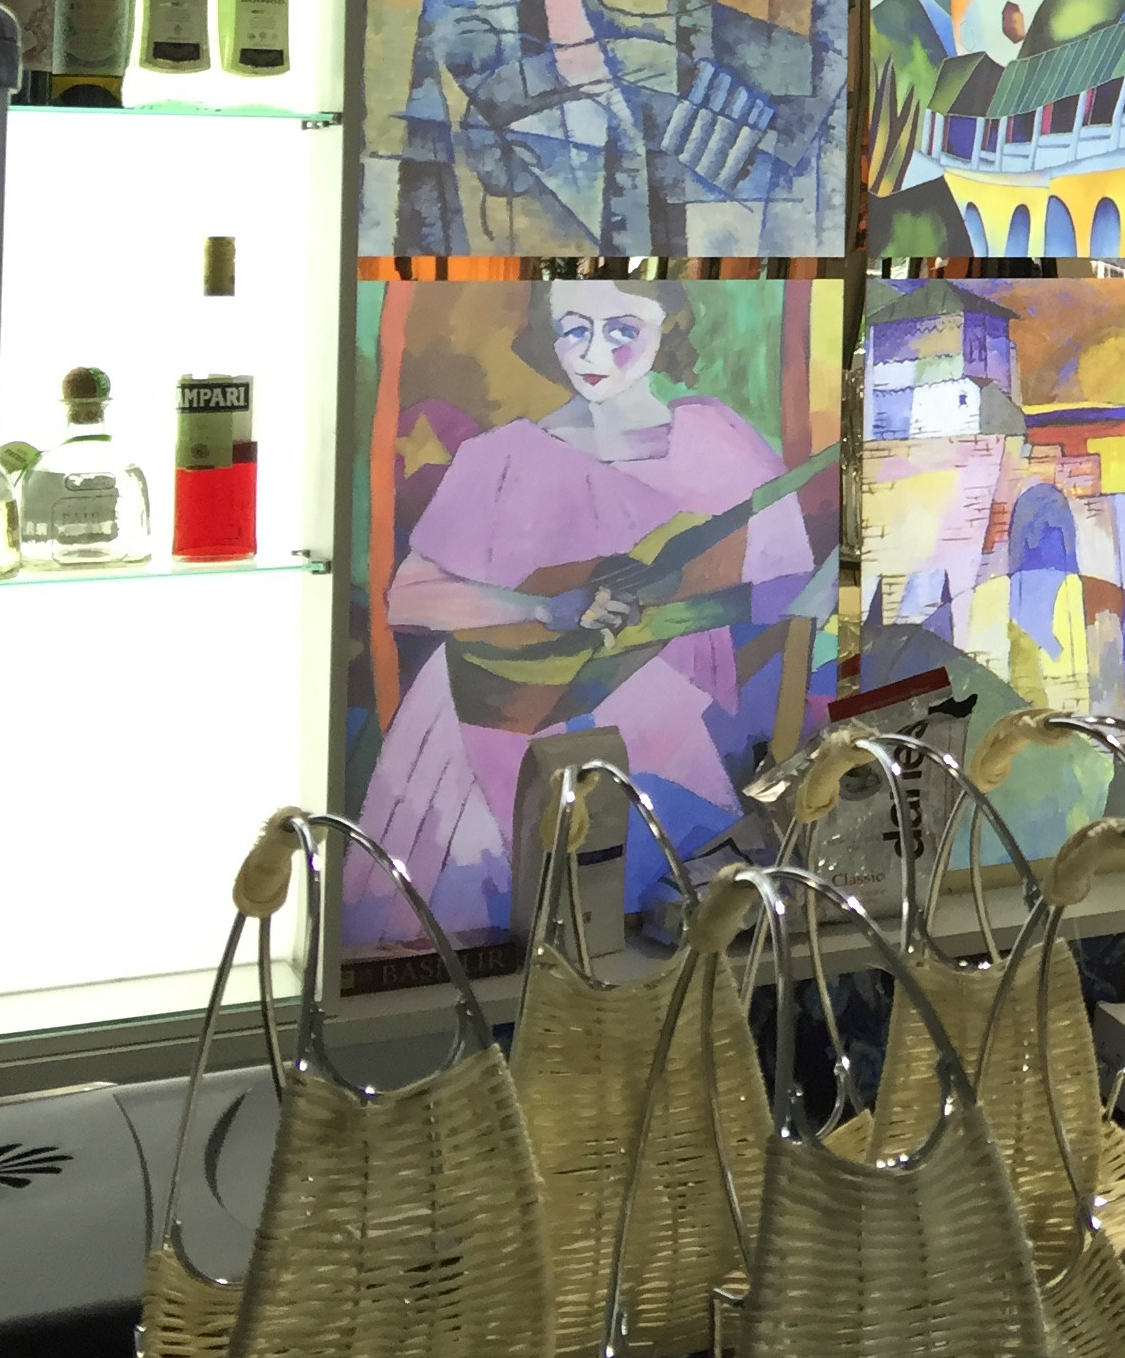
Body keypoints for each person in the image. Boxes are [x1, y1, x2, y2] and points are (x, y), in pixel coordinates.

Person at [346, 277, 824, 947]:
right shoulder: (503, 455)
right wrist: (547, 609)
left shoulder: (717, 439)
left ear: (668, 326)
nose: (594, 352)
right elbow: (412, 594)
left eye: (623, 329)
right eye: (574, 328)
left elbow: (790, 583)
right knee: (488, 913)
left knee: (656, 907)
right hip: (497, 708)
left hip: (669, 709)